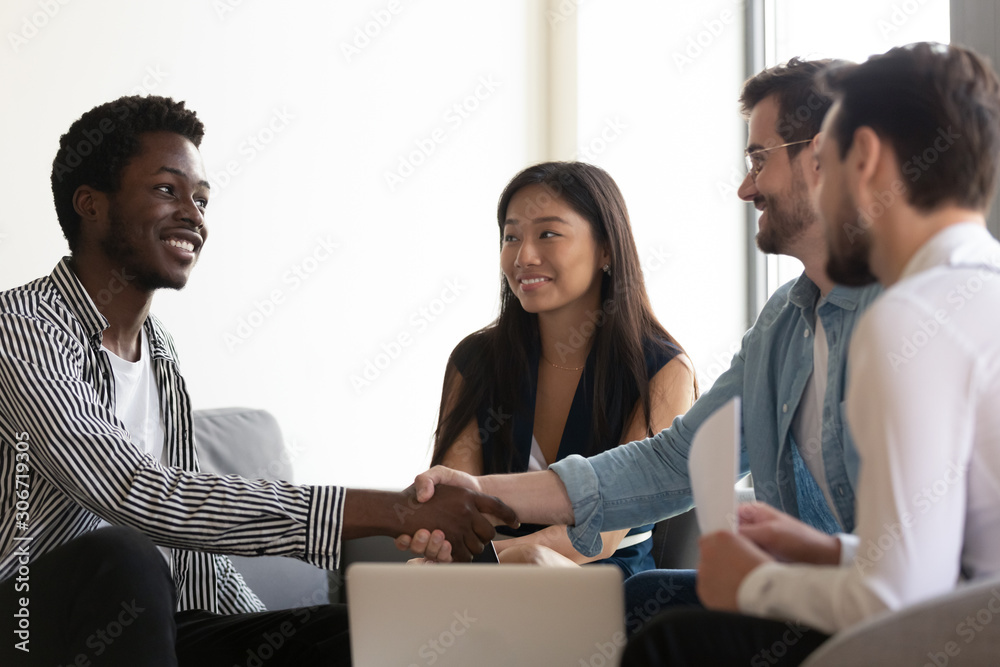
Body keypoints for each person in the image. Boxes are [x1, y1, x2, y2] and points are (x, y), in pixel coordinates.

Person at [0, 95, 516, 667]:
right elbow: (139, 495)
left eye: (201, 199)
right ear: (90, 205)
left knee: (359, 635)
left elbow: (193, 545)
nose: (193, 216)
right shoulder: (23, 330)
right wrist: (393, 509)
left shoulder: (161, 355)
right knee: (122, 556)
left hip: (140, 631)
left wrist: (269, 633)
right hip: (26, 627)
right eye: (167, 191)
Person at [401, 58, 882, 628]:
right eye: (511, 236)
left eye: (758, 159)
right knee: (649, 606)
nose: (745, 186)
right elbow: (674, 461)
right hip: (807, 601)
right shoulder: (781, 322)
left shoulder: (909, 311)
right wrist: (478, 492)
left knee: (640, 613)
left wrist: (513, 559)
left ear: (827, 157)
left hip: (877, 614)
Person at [620, 41, 1000, 665]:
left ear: (867, 158)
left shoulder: (912, 317)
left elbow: (895, 604)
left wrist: (753, 584)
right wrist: (828, 552)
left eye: (828, 161)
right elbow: (954, 562)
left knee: (670, 645)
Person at [431, 161, 696, 576]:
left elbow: (605, 529)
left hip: (606, 589)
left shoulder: (661, 369)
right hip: (483, 589)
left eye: (548, 234)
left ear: (607, 249)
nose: (524, 256)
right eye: (511, 236)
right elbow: (455, 507)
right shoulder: (476, 360)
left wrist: (494, 562)